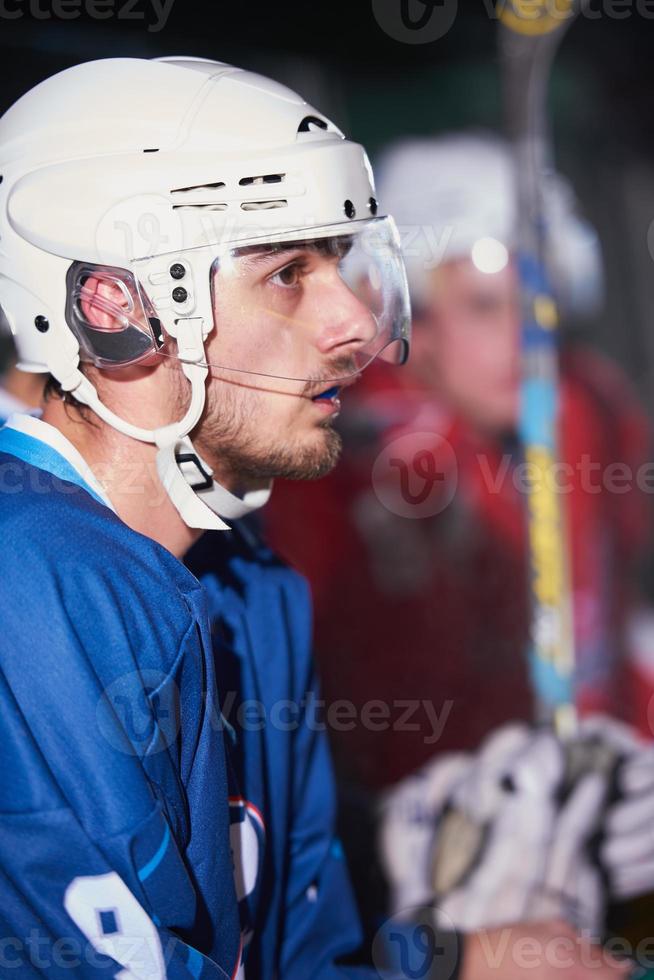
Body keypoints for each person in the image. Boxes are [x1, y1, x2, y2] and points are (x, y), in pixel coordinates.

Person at [0, 64, 630, 980]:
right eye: (288, 273)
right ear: (115, 308)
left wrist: (449, 959)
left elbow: (296, 958)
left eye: (341, 264)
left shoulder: (243, 579)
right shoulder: (30, 586)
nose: (356, 325)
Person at [264, 135, 654, 946]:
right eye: (484, 305)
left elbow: (611, 621)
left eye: (537, 302)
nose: (523, 337)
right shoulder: (345, 452)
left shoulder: (590, 412)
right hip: (432, 862)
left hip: (597, 823)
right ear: (416, 316)